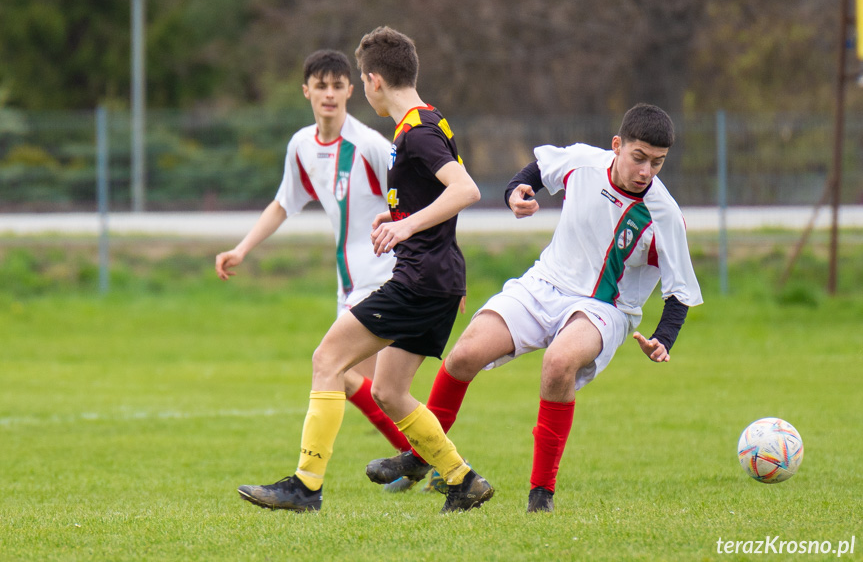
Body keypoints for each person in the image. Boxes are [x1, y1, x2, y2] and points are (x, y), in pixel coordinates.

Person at [366, 103, 703, 513]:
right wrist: (515, 193)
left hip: (604, 307)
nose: (646, 171)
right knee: (464, 354)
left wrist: (663, 338)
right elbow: (536, 173)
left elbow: (680, 290)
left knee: (559, 364)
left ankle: (540, 495)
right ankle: (421, 458)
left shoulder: (665, 214)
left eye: (657, 163)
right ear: (617, 146)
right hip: (544, 283)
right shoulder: (583, 162)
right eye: (638, 158)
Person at [235, 26, 494, 514]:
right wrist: (396, 217)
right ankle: (462, 480)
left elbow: (465, 190)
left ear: (372, 82)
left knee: (327, 360)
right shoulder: (428, 120)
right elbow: (433, 195)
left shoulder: (413, 133)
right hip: (438, 280)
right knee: (390, 391)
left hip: (417, 281)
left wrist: (404, 228)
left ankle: (305, 487)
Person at [215, 50, 415, 477]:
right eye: (320, 86)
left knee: (339, 371)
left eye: (338, 85)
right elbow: (284, 203)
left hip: (385, 277)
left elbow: (415, 205)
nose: (329, 94)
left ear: (350, 91)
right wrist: (242, 249)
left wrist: (435, 267)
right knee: (378, 390)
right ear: (306, 91)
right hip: (349, 282)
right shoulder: (302, 145)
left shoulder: (371, 147)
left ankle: (411, 464)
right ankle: (422, 462)